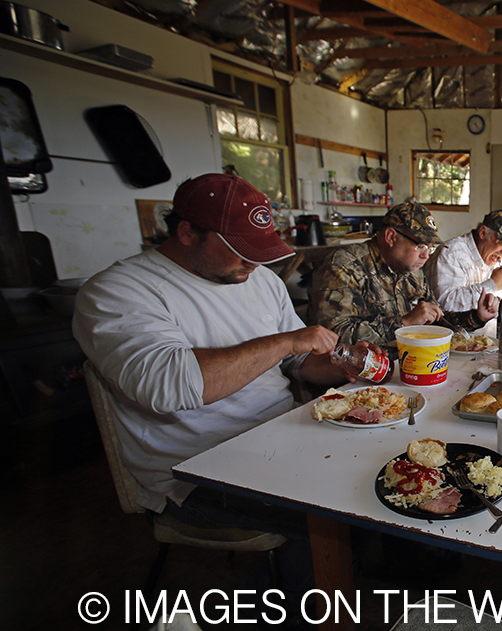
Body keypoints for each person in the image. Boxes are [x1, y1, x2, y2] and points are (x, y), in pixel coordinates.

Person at [74, 173, 356, 520]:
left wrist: (342, 367)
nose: (254, 263)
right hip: (196, 465)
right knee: (337, 509)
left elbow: (297, 361)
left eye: (260, 249)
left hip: (281, 434)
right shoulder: (118, 291)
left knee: (387, 467)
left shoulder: (261, 279)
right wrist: (286, 341)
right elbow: (172, 386)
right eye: (240, 250)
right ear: (187, 232)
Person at [308, 201, 498, 351]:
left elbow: (438, 320)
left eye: (430, 248)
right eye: (421, 246)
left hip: (409, 363)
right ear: (391, 237)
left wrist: (477, 317)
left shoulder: (412, 270)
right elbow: (334, 335)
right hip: (355, 377)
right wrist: (405, 323)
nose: (425, 256)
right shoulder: (344, 266)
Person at [426, 209, 502, 312]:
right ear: (483, 233)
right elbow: (447, 304)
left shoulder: (493, 256)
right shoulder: (451, 253)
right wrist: (493, 285)